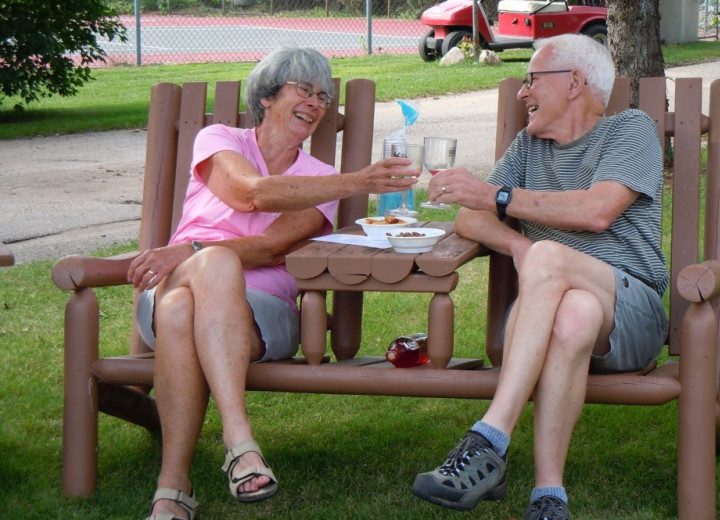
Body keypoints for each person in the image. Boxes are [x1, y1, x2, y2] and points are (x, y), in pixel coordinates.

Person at [128, 46, 417, 520]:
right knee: (211, 270)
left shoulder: (322, 179)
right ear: (266, 96)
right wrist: (359, 181)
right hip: (174, 279)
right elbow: (249, 194)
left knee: (186, 304)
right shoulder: (219, 139)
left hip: (260, 313)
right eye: (304, 89)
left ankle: (172, 489)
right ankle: (239, 442)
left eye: (324, 95)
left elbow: (269, 248)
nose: (316, 103)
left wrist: (192, 248)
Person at [410, 34, 669, 520]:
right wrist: (516, 244)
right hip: (553, 318)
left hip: (630, 316)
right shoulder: (529, 148)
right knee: (573, 313)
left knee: (551, 259)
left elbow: (598, 211)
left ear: (574, 82)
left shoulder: (630, 130)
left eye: (532, 80)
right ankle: (549, 496)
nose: (522, 93)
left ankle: (489, 438)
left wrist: (504, 203)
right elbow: (470, 217)